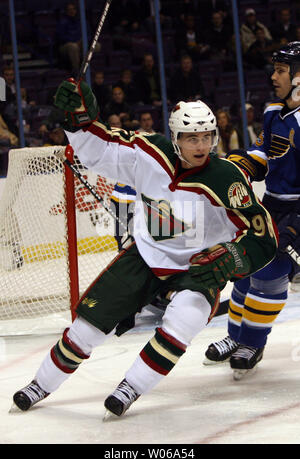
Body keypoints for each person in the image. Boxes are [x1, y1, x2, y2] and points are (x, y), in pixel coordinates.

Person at [12, 81, 277, 417]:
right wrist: (78, 121)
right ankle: (40, 384)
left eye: (207, 136)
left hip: (198, 269)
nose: (201, 145)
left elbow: (262, 234)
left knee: (184, 319)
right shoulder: (151, 153)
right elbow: (103, 151)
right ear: (176, 138)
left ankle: (131, 387)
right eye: (191, 138)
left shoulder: (227, 178)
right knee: (87, 326)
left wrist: (234, 257)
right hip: (146, 257)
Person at [204, 41, 300, 380]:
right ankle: (236, 337)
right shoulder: (275, 110)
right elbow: (264, 152)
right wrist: (238, 166)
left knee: (271, 274)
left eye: (280, 70)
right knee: (245, 265)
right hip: (274, 203)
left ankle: (253, 342)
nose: (273, 76)